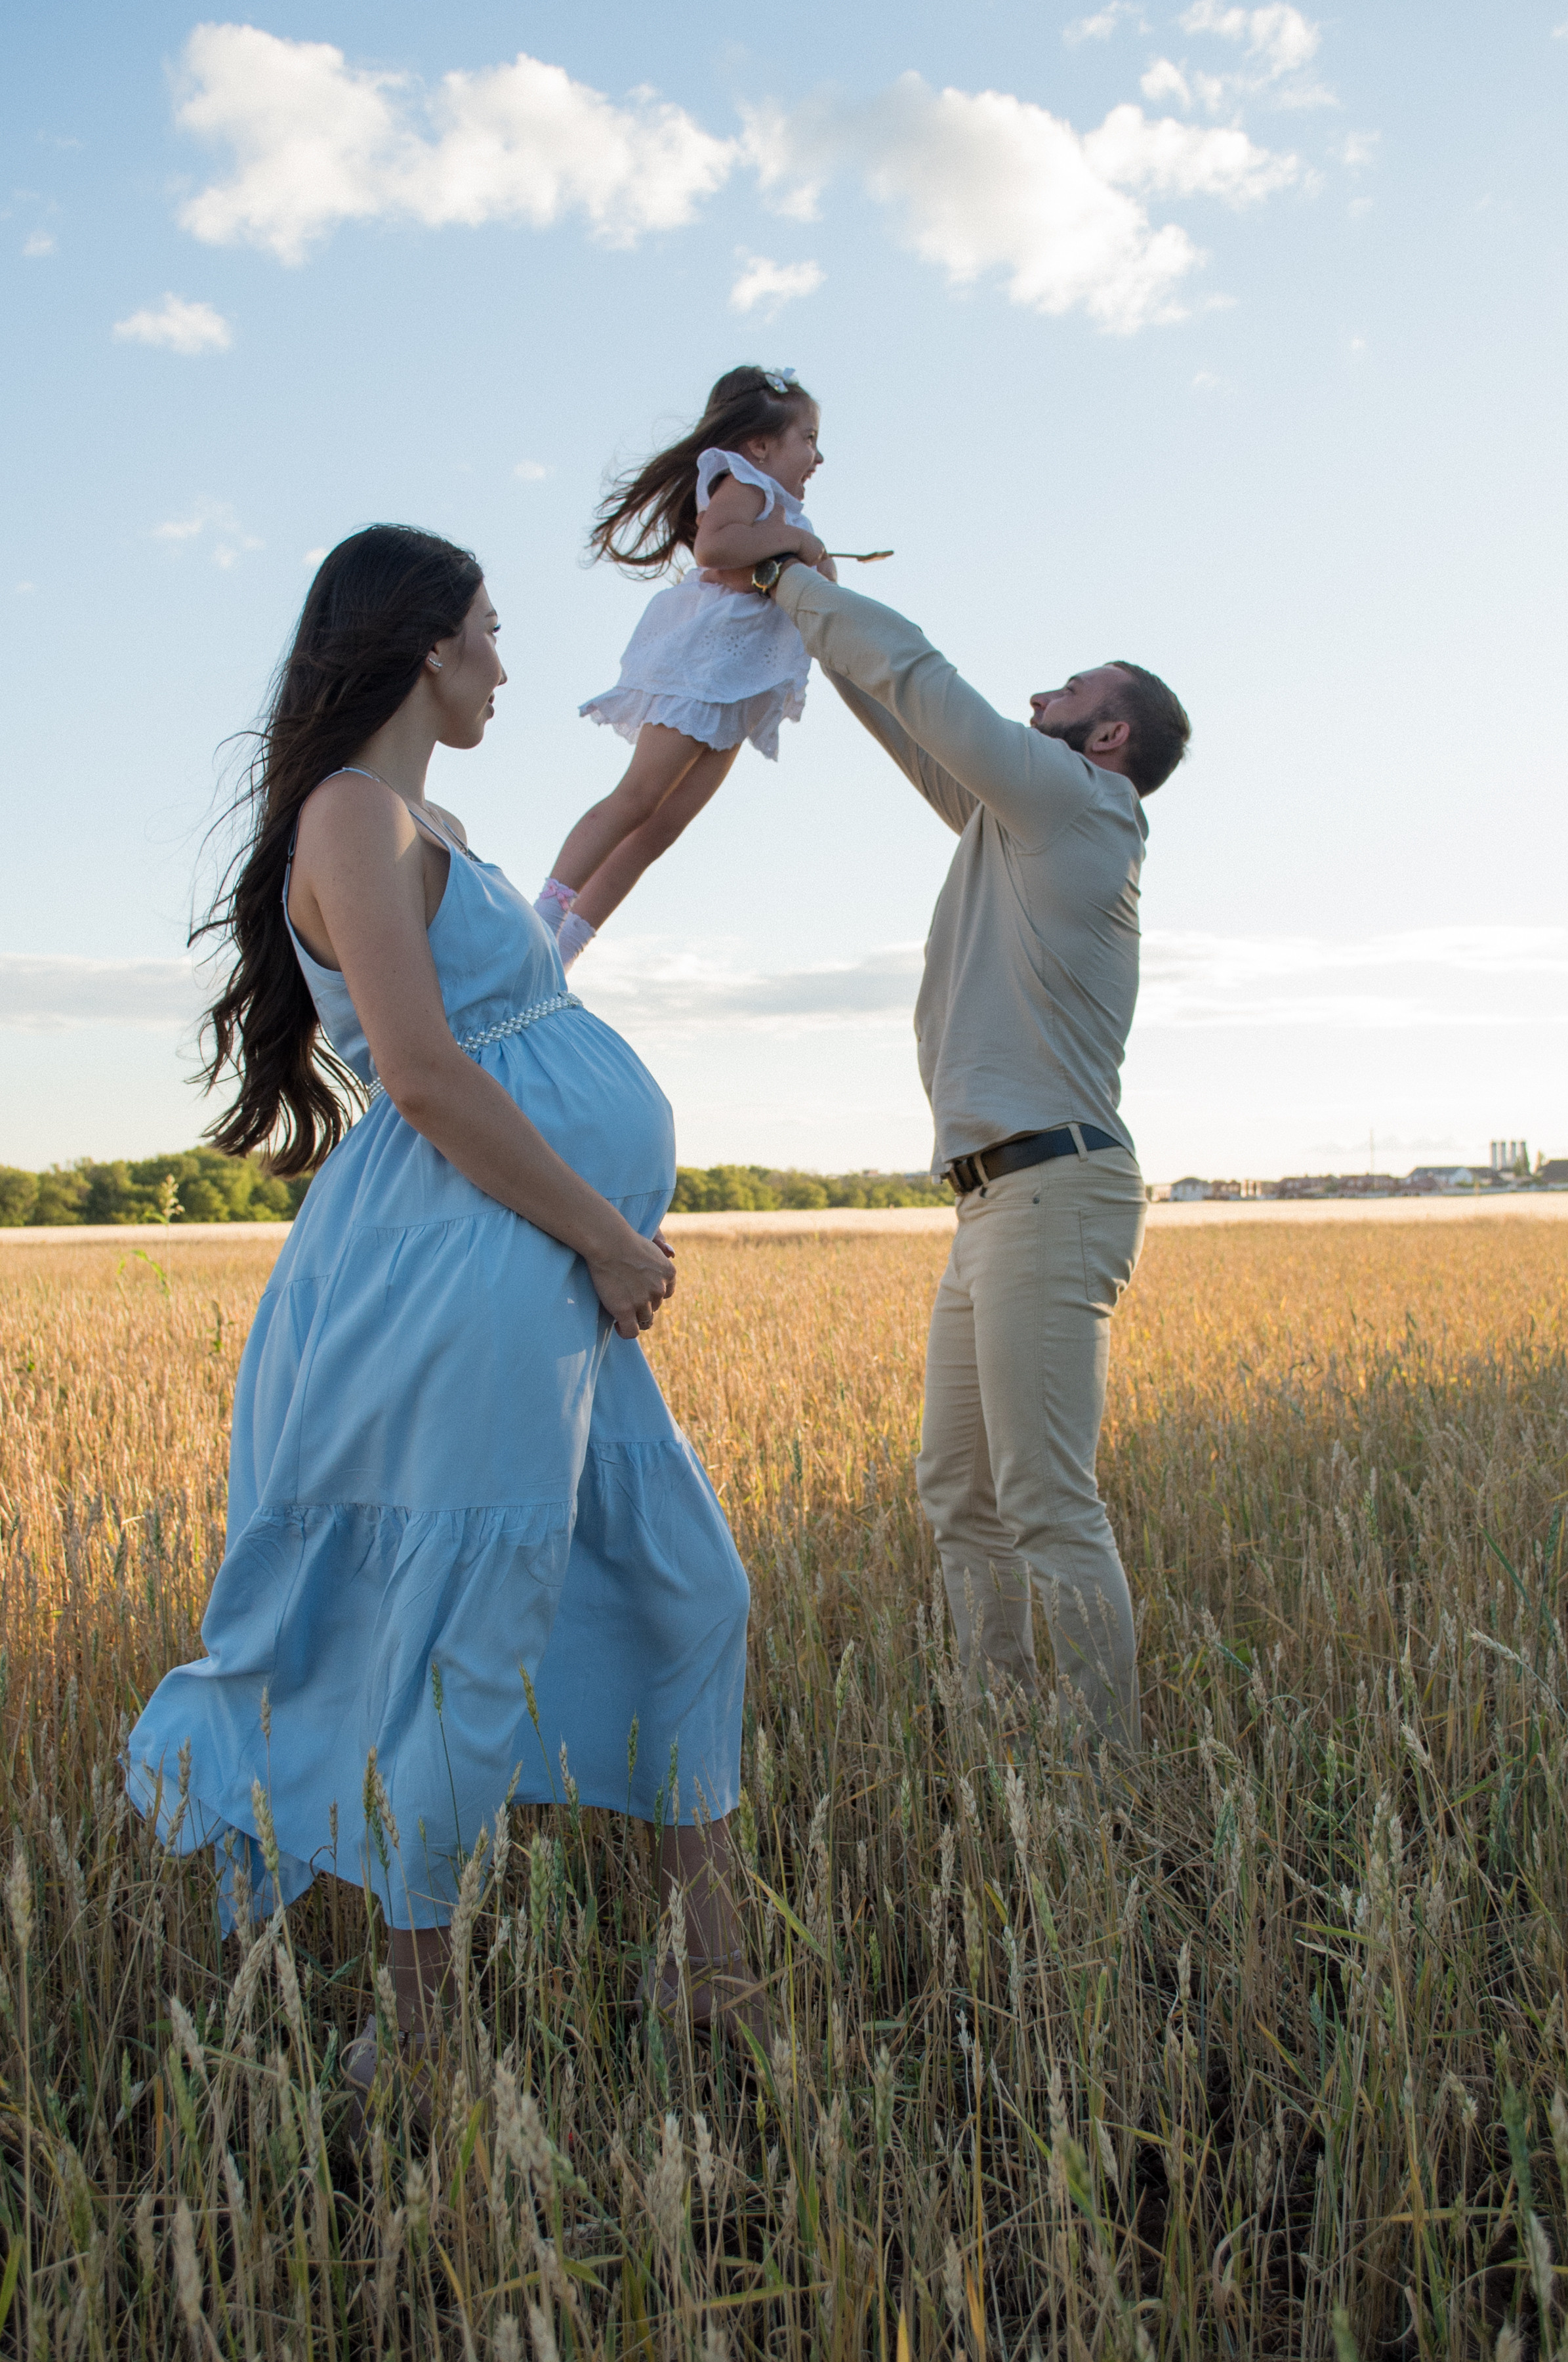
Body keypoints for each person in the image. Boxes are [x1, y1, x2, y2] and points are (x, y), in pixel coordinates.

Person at [123, 526, 761, 2109]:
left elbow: (570, 917)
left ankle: (711, 1959)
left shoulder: (427, 819)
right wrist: (609, 1236)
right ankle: (412, 2040)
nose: (502, 658)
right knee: (463, 1645)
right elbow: (418, 1071)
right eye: (489, 629)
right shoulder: (350, 812)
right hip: (477, 1261)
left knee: (689, 1584)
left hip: (523, 1257)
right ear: (424, 647)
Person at [732, 553, 1190, 1749]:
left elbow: (930, 686)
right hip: (993, 1200)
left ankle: (1101, 1772)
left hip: (1054, 1187)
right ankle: (997, 1737)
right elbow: (913, 727)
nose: (1040, 696)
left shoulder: (1080, 807)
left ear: (1109, 734)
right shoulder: (1023, 821)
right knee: (960, 1492)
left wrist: (788, 571)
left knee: (1045, 1499)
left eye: (1068, 689)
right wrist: (814, 626)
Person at [532, 365, 834, 968]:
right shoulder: (748, 485)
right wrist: (797, 546)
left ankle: (564, 951)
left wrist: (809, 552)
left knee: (661, 829)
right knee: (637, 800)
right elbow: (715, 549)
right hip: (704, 668)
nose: (818, 456)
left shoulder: (781, 515)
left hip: (737, 685)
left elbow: (819, 588)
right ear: (761, 445)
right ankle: (539, 922)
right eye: (809, 439)